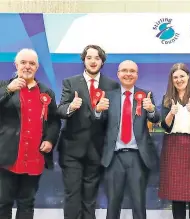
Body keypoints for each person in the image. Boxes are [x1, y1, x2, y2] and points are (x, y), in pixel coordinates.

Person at [56, 45, 119, 219]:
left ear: (102, 61)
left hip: (97, 150)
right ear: (83, 60)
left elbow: (113, 119)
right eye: (89, 57)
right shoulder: (70, 82)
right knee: (72, 196)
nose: (93, 61)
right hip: (72, 150)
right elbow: (60, 110)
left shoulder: (112, 85)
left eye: (97, 58)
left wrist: (99, 111)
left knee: (91, 198)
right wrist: (71, 107)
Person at [95, 60, 160, 219]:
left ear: (137, 75)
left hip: (138, 157)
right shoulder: (108, 96)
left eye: (132, 71)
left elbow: (156, 118)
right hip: (113, 157)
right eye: (124, 70)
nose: (128, 74)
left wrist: (151, 110)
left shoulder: (145, 96)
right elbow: (99, 122)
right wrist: (97, 110)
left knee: (138, 204)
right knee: (113, 204)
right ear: (118, 74)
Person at [0, 48, 61, 219]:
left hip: (34, 157)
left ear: (37, 67)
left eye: (32, 63)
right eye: (23, 63)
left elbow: (54, 121)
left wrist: (49, 140)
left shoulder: (46, 92)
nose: (27, 66)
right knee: (3, 202)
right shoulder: (3, 86)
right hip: (7, 157)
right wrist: (8, 91)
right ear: (16, 65)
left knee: (27, 203)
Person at [158, 63, 190, 219]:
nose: (179, 80)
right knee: (177, 196)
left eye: (182, 76)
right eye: (175, 77)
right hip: (173, 146)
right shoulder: (167, 99)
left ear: (188, 77)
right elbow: (165, 126)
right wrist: (171, 114)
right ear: (171, 80)